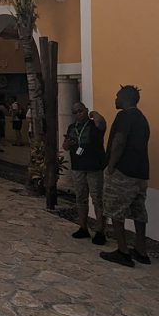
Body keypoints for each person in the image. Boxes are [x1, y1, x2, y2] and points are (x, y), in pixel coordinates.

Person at [100, 85, 152, 267]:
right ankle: (141, 250)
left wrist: (111, 166)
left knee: (115, 209)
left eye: (117, 96)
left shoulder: (124, 116)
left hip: (123, 171)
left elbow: (119, 141)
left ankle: (122, 250)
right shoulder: (142, 118)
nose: (115, 99)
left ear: (126, 99)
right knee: (139, 211)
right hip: (141, 172)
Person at [64, 101, 108, 244]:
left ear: (86, 110)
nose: (78, 114)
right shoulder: (72, 127)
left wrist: (93, 114)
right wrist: (68, 144)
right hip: (78, 167)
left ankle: (100, 231)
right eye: (75, 112)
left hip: (94, 167)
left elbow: (102, 123)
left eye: (80, 111)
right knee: (80, 197)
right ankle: (83, 227)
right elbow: (65, 146)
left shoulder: (94, 125)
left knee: (97, 199)